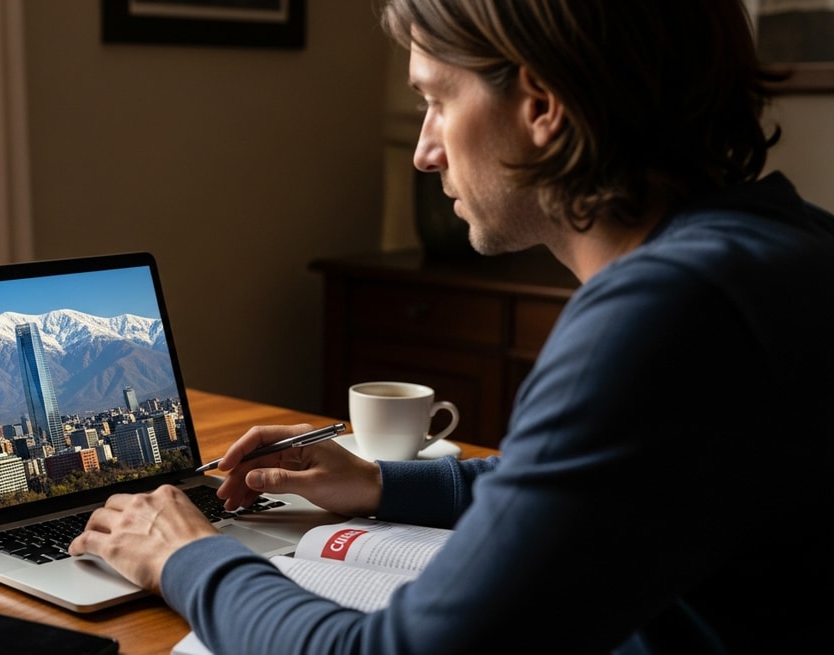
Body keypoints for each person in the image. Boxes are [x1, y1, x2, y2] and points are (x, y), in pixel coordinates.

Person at [69, 0, 834, 652]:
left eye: (437, 99)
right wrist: (380, 482)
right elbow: (595, 486)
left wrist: (186, 556)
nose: (426, 152)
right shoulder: (785, 242)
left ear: (541, 103)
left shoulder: (664, 314)